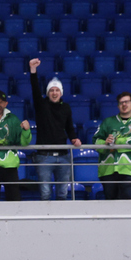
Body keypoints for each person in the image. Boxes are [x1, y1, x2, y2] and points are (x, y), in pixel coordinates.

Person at [28, 58, 81, 201]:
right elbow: (35, 89)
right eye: (51, 90)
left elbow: (69, 127)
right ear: (48, 93)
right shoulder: (41, 105)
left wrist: (74, 138)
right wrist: (33, 70)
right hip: (44, 156)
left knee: (62, 194)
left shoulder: (66, 108)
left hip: (63, 156)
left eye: (57, 90)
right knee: (45, 194)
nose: (54, 92)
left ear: (61, 93)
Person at [95, 92, 131, 200]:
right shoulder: (108, 121)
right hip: (107, 168)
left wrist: (116, 142)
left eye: (126, 102)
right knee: (110, 202)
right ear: (118, 105)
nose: (124, 104)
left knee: (126, 200)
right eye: (121, 103)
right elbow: (95, 141)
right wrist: (105, 143)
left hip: (127, 168)